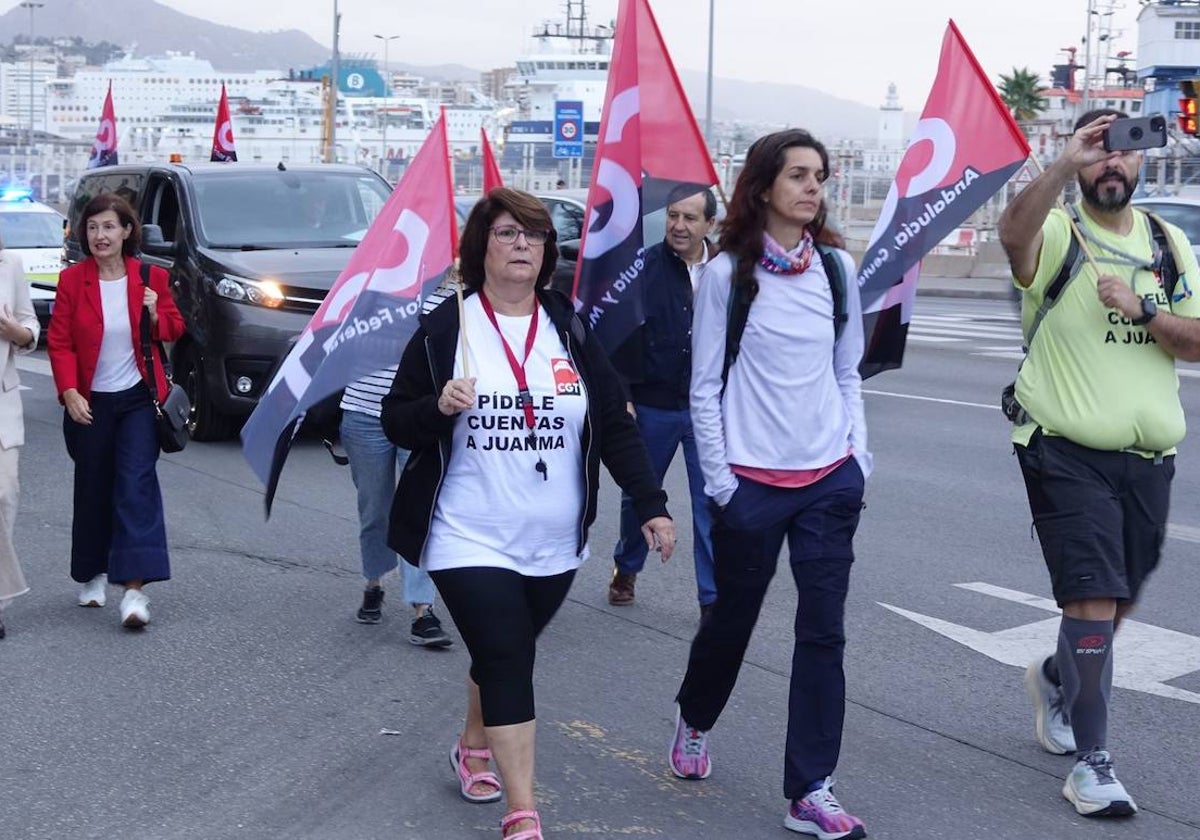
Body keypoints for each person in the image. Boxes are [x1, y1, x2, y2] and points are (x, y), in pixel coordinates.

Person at [381, 187, 674, 840]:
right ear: (480, 247)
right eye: (509, 233)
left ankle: (472, 745)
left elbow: (613, 423)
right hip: (467, 534)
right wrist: (439, 407)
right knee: (509, 653)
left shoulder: (567, 325)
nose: (524, 246)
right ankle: (523, 814)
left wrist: (650, 505)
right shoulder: (446, 328)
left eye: (535, 237)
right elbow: (394, 422)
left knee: (502, 652)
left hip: (552, 540)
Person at [669, 129, 871, 840]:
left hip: (827, 483)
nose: (813, 188)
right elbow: (703, 389)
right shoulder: (727, 274)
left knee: (824, 632)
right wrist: (723, 487)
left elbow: (848, 374)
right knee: (732, 621)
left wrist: (857, 462)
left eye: (820, 175)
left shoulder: (840, 269)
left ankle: (810, 788)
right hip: (750, 488)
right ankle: (695, 718)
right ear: (762, 189)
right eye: (798, 176)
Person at [998, 108, 1200, 818]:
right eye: (1097, 150)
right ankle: (1092, 762)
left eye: (1123, 150)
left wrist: (1145, 311)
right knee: (1089, 594)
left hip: (1148, 460)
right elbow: (1011, 237)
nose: (1111, 162)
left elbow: (1197, 339)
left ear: (1143, 162)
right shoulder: (1057, 232)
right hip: (1063, 451)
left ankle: (1057, 678)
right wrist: (1059, 164)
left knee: (1119, 597)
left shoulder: (1169, 245)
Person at [47, 193, 186, 629]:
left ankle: (134, 591)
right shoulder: (72, 280)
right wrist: (69, 391)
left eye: (108, 227)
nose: (99, 236)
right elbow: (60, 341)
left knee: (136, 485)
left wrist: (153, 311)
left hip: (137, 399)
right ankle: (92, 574)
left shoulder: (151, 277)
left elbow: (174, 327)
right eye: (92, 228)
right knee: (93, 486)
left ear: (127, 231)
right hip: (90, 400)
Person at [607, 185, 717, 616]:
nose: (679, 226)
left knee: (711, 504)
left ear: (710, 224)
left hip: (708, 410)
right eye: (673, 215)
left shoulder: (728, 272)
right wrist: (624, 396)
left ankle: (712, 600)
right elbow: (615, 336)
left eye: (690, 218)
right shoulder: (643, 268)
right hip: (652, 405)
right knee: (640, 494)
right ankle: (626, 566)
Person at [339, 369, 452, 647]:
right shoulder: (353, 323)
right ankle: (374, 583)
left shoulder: (428, 322)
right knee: (375, 510)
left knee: (419, 508)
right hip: (363, 414)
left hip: (415, 411)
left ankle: (422, 609)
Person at [0, 245, 39, 640]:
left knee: (4, 495)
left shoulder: (8, 263)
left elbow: (29, 322)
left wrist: (19, 334)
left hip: (2, 402)